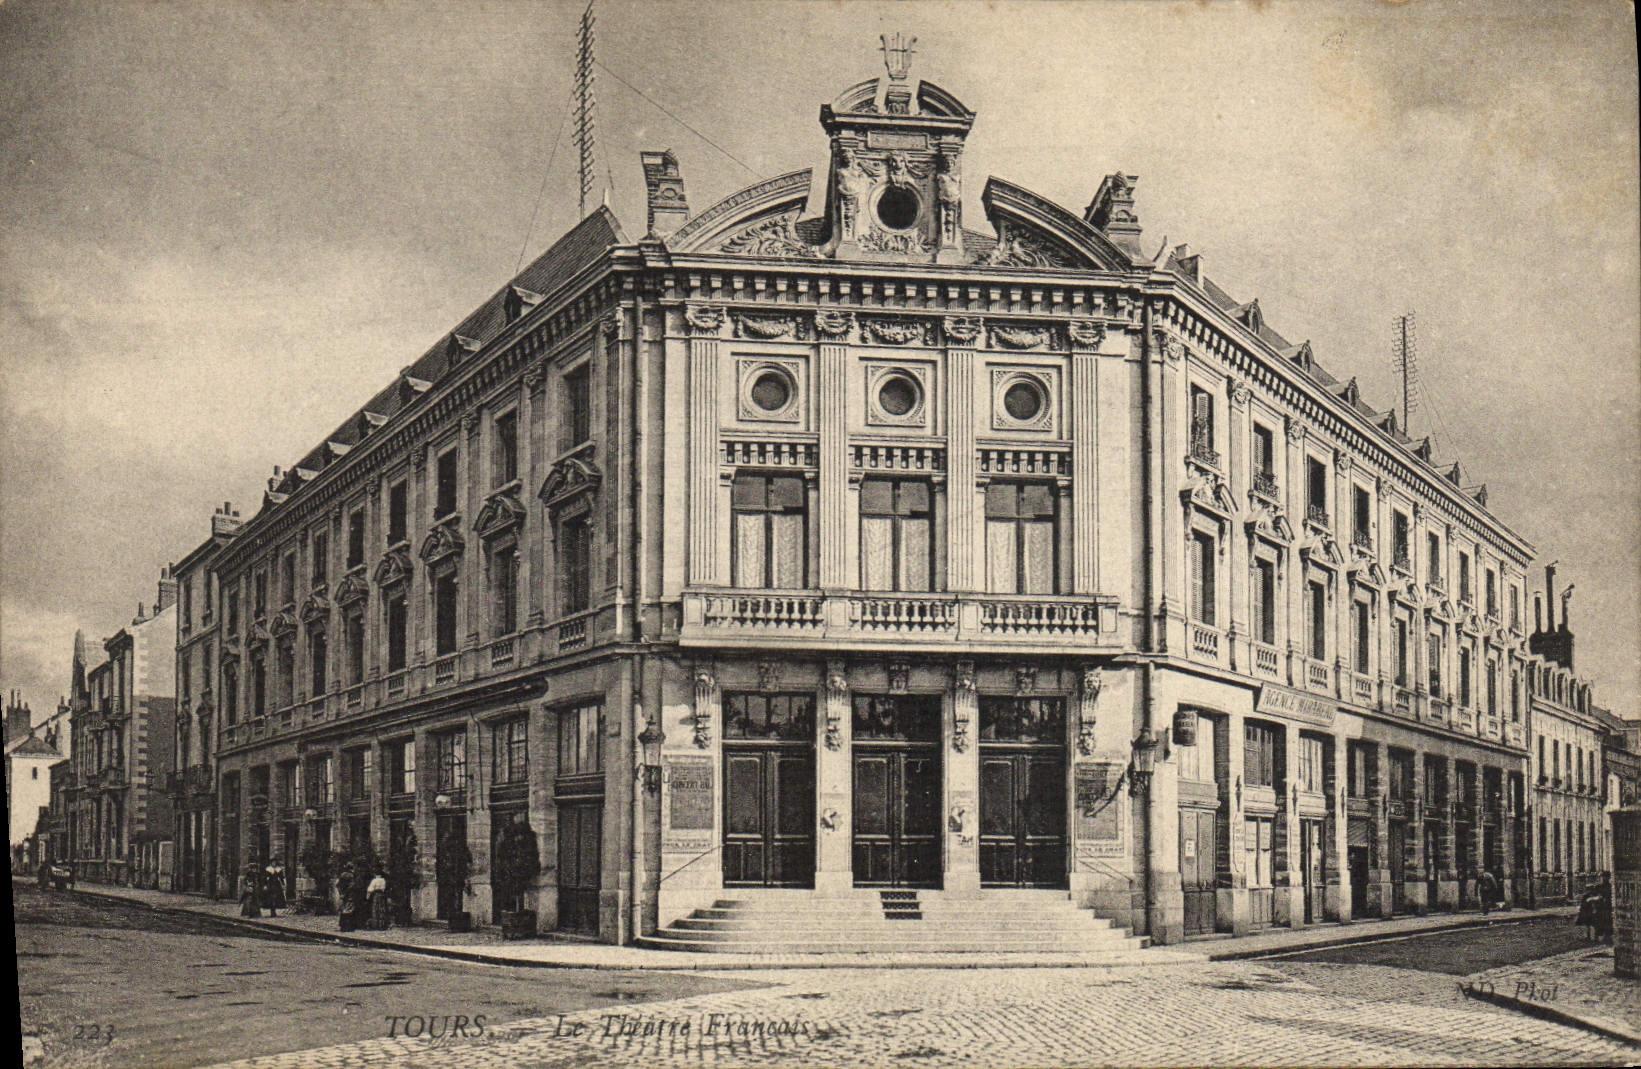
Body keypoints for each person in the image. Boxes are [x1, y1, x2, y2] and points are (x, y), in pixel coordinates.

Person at [336, 863, 357, 931]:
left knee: (343, 909)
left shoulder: (342, 875)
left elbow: (337, 885)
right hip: (350, 895)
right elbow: (352, 885)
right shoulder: (351, 876)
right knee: (349, 909)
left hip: (343, 895)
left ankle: (342, 926)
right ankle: (348, 927)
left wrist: (341, 893)